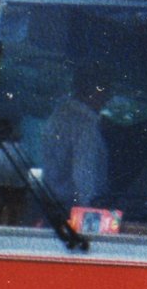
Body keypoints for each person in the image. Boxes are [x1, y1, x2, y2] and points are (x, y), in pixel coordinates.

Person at [40, 62, 111, 207]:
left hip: (49, 207)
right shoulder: (84, 126)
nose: (107, 98)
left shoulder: (57, 117)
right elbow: (85, 183)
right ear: (94, 91)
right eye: (106, 91)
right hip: (73, 215)